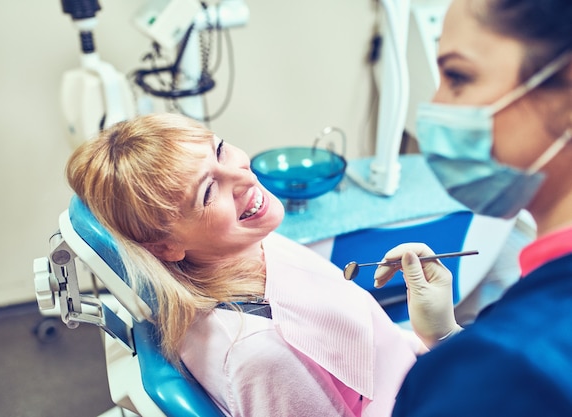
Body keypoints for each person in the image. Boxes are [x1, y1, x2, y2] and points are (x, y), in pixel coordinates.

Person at [65, 112, 425, 417]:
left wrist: (439, 342)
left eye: (219, 150)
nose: (245, 178)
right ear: (166, 246)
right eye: (208, 192)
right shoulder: (259, 356)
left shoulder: (249, 243)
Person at [373, 0, 572, 415]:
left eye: (459, 77)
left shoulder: (510, 365)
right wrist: (450, 339)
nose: (436, 106)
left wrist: (465, 369)